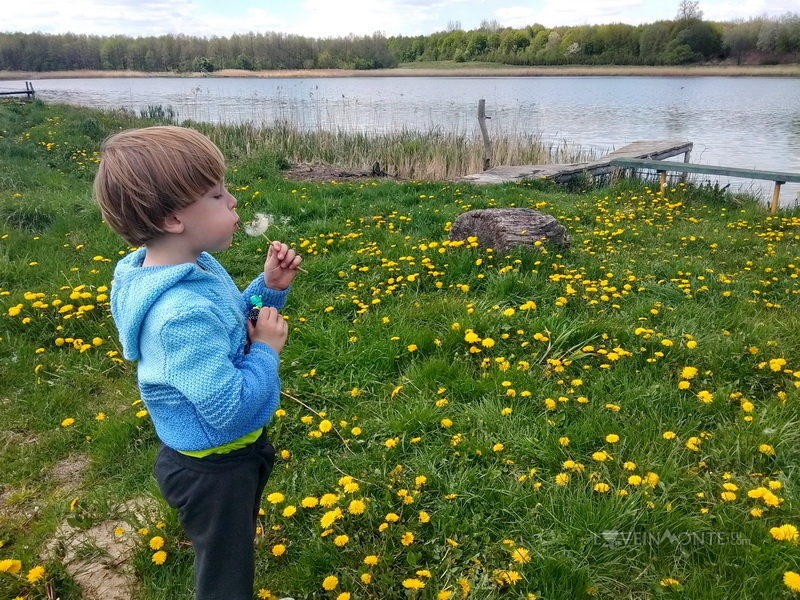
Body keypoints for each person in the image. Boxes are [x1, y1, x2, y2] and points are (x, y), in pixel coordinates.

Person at [94, 125, 301, 600]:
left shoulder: (191, 267)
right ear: (171, 219)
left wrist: (269, 288)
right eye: (216, 194)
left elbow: (227, 320)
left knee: (233, 549)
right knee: (225, 574)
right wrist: (267, 349)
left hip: (227, 456)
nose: (233, 202)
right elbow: (231, 408)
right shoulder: (178, 314)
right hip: (215, 468)